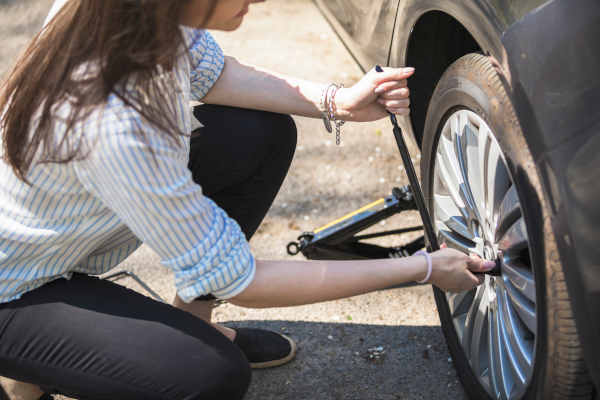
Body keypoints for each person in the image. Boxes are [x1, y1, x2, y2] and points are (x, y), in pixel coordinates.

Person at [0, 0, 496, 399]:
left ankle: (189, 321)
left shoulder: (131, 14)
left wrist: (337, 102)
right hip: (16, 289)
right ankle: (34, 366)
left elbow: (215, 76)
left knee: (258, 133)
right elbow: (244, 280)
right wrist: (422, 267)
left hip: (58, 242)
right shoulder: (115, 121)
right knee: (207, 375)